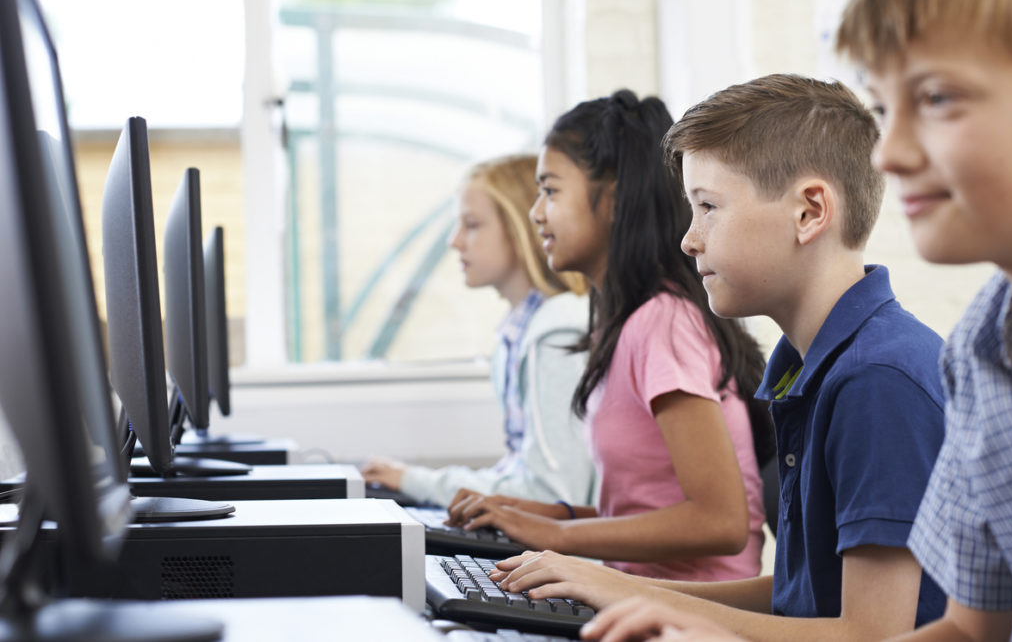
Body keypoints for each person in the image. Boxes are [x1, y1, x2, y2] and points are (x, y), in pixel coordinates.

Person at [492, 74, 948, 641]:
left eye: (708, 207)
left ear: (809, 212)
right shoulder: (811, 365)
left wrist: (648, 600)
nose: (689, 239)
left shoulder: (876, 381)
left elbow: (871, 634)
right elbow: (796, 599)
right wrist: (622, 589)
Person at [833, 0, 1012, 639]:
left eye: (938, 98)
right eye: (882, 108)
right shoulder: (982, 345)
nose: (888, 152)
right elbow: (973, 631)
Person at [446, 89, 775, 583]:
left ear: (616, 201)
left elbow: (721, 522)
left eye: (551, 191)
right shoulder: (622, 324)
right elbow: (647, 510)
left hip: (689, 616)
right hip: (636, 599)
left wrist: (558, 538)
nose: (536, 213)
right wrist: (551, 516)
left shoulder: (661, 322)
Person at [362, 154, 595, 508]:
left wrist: (420, 482)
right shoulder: (519, 332)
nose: (454, 241)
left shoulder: (556, 333)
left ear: (521, 227)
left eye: (471, 225)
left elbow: (553, 496)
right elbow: (522, 474)